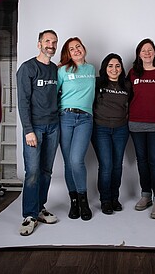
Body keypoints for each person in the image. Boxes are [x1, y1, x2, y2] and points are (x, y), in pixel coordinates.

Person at [17, 29, 60, 236]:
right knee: (32, 172)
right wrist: (28, 131)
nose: (51, 45)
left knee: (46, 171)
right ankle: (29, 215)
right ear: (39, 44)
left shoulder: (54, 69)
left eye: (54, 42)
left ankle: (40, 208)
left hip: (53, 127)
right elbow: (23, 102)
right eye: (47, 41)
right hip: (34, 129)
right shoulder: (27, 68)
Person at [127, 39, 155, 219]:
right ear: (138, 53)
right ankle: (146, 195)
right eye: (143, 50)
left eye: (150, 49)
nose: (147, 53)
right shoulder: (133, 73)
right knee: (141, 160)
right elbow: (124, 94)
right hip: (135, 123)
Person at [57, 37, 96, 221]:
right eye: (72, 49)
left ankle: (84, 201)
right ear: (68, 54)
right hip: (66, 117)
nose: (76, 50)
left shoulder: (91, 69)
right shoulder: (62, 70)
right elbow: (53, 93)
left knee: (76, 160)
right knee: (68, 162)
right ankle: (74, 202)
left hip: (85, 119)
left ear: (83, 48)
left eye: (78, 46)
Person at [91, 53, 132, 215]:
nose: (114, 69)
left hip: (121, 129)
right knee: (106, 166)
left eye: (117, 66)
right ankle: (105, 200)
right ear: (104, 68)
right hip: (101, 128)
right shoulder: (97, 83)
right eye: (110, 66)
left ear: (121, 68)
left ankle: (115, 197)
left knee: (117, 166)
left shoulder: (127, 85)